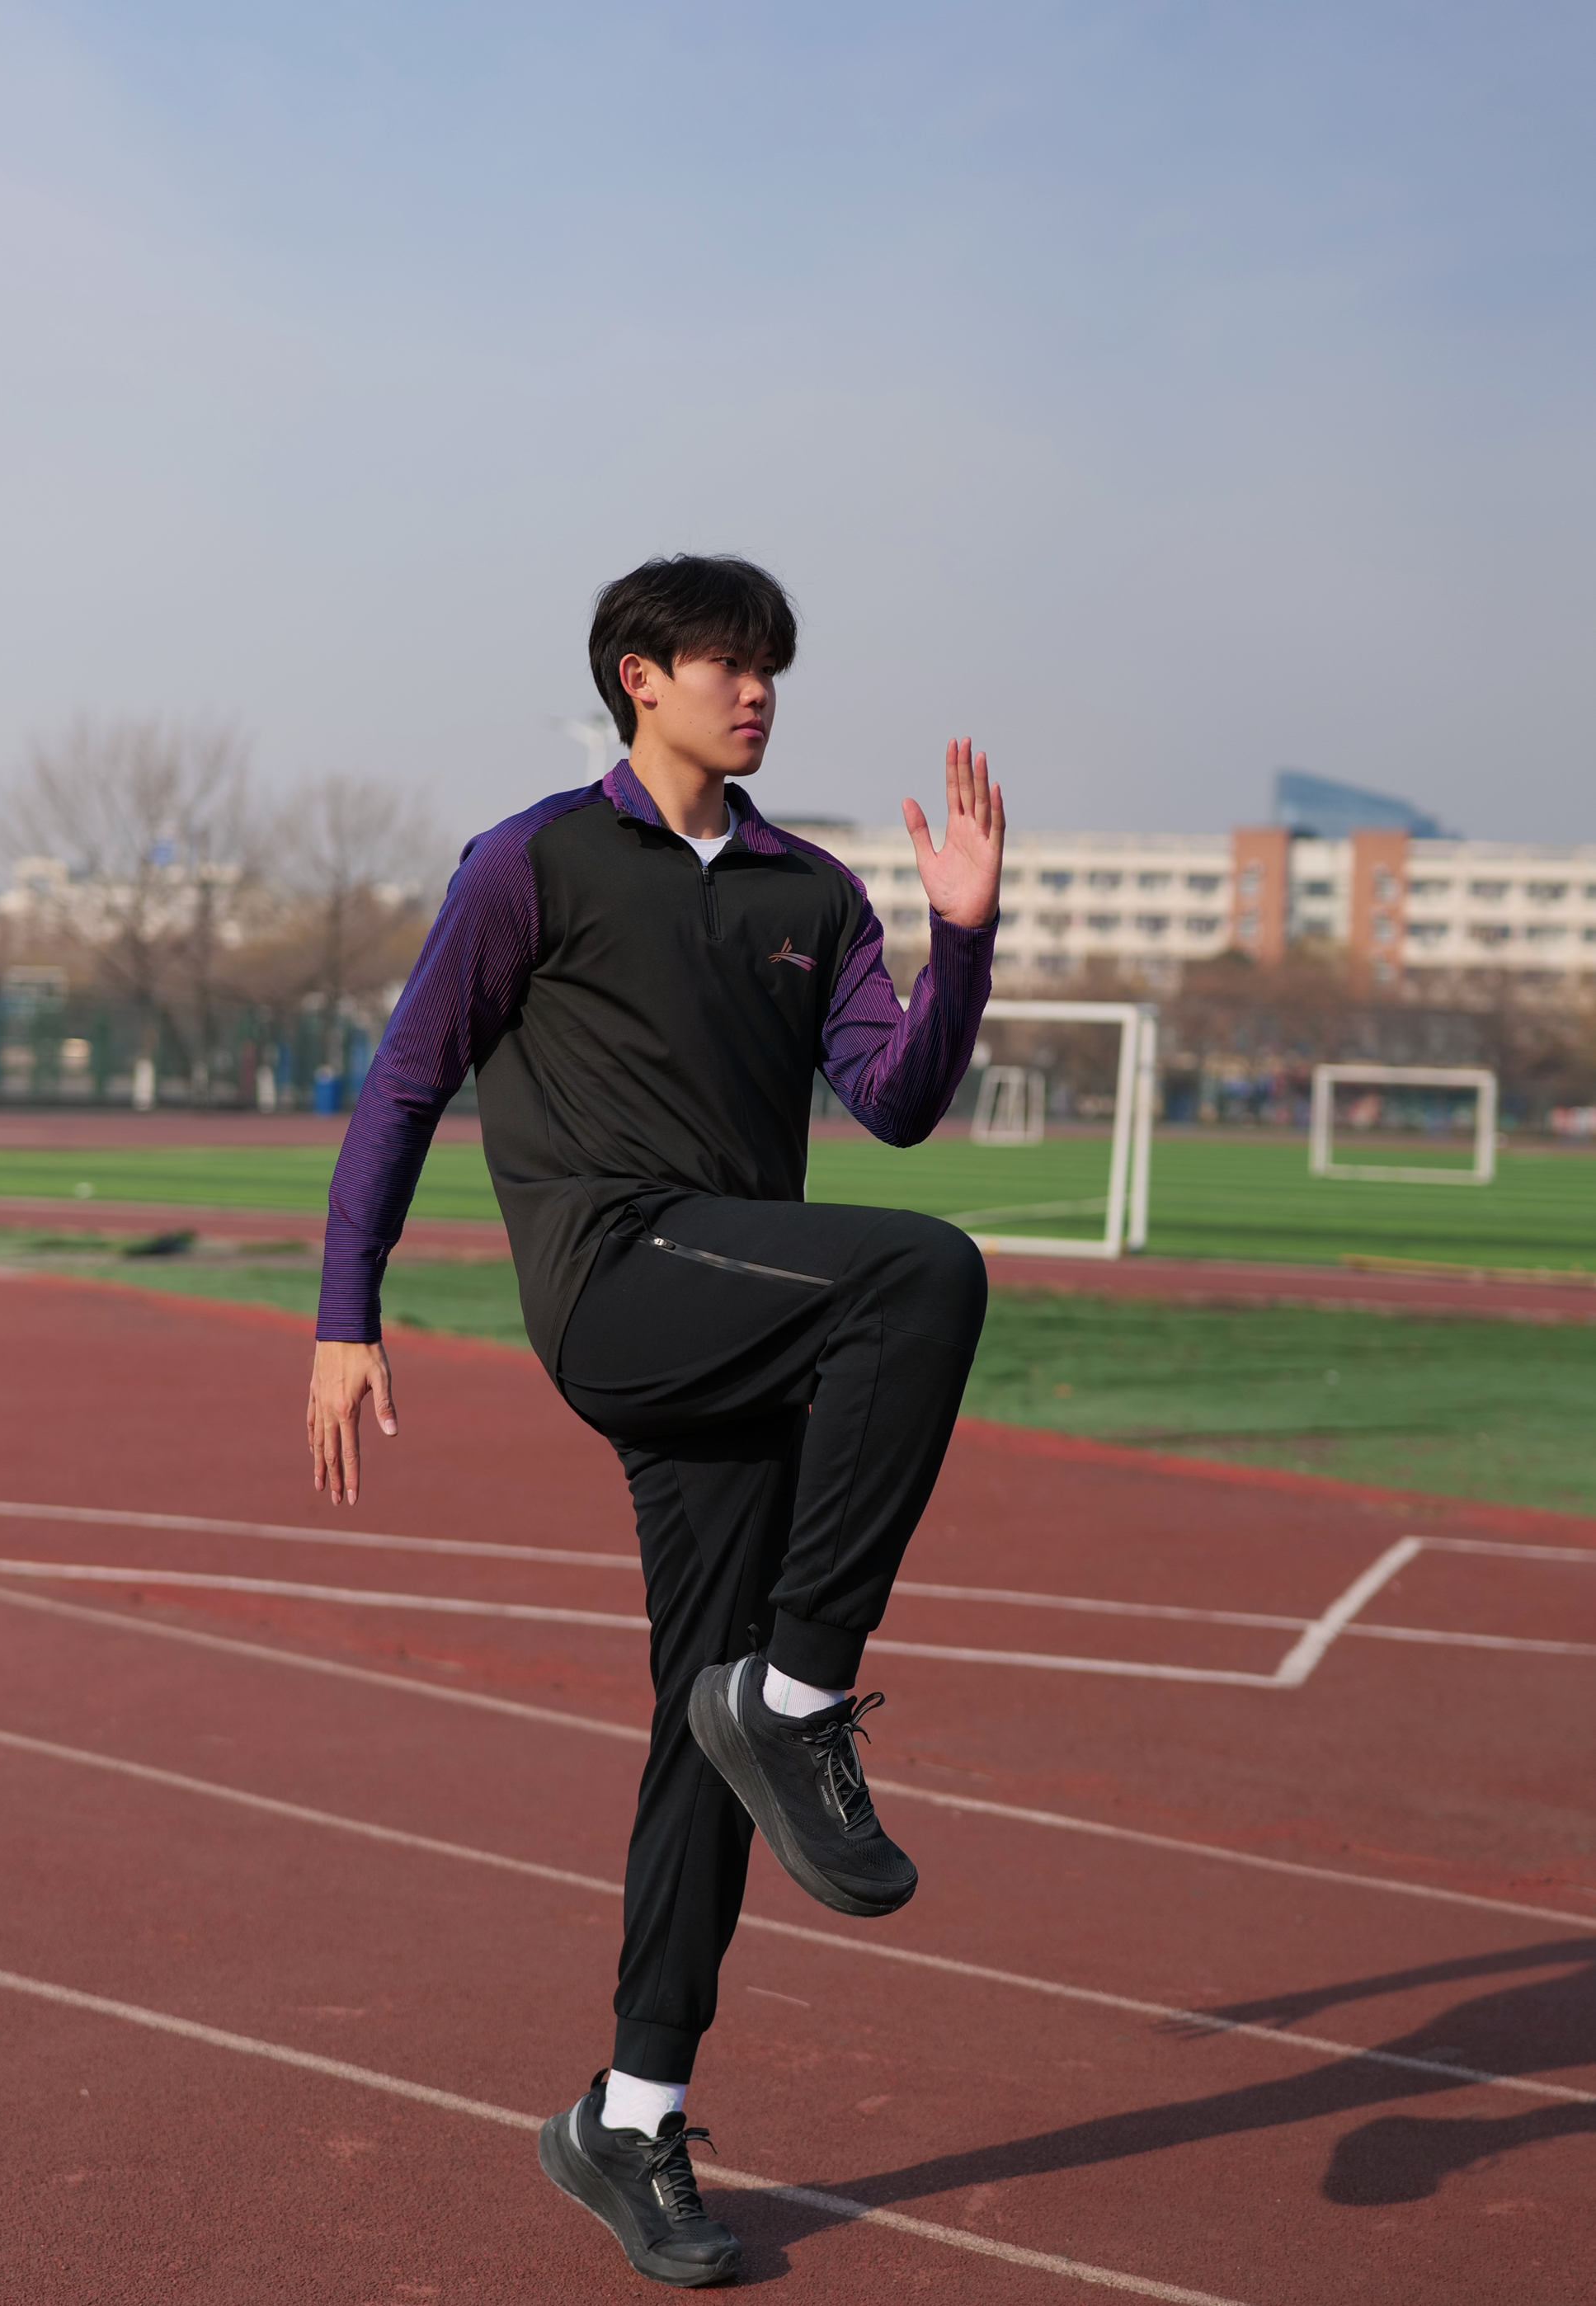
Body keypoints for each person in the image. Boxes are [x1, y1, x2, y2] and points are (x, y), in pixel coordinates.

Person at [308, 553, 1002, 2287]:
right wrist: (344, 1313)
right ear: (640, 675)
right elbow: (410, 1076)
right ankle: (803, 1695)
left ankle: (631, 2116)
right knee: (924, 1275)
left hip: (748, 1325)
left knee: (702, 1738)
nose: (756, 691)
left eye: (772, 667)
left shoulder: (813, 891)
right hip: (615, 1280)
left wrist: (966, 941)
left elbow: (898, 1103)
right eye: (725, 662)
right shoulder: (533, 862)